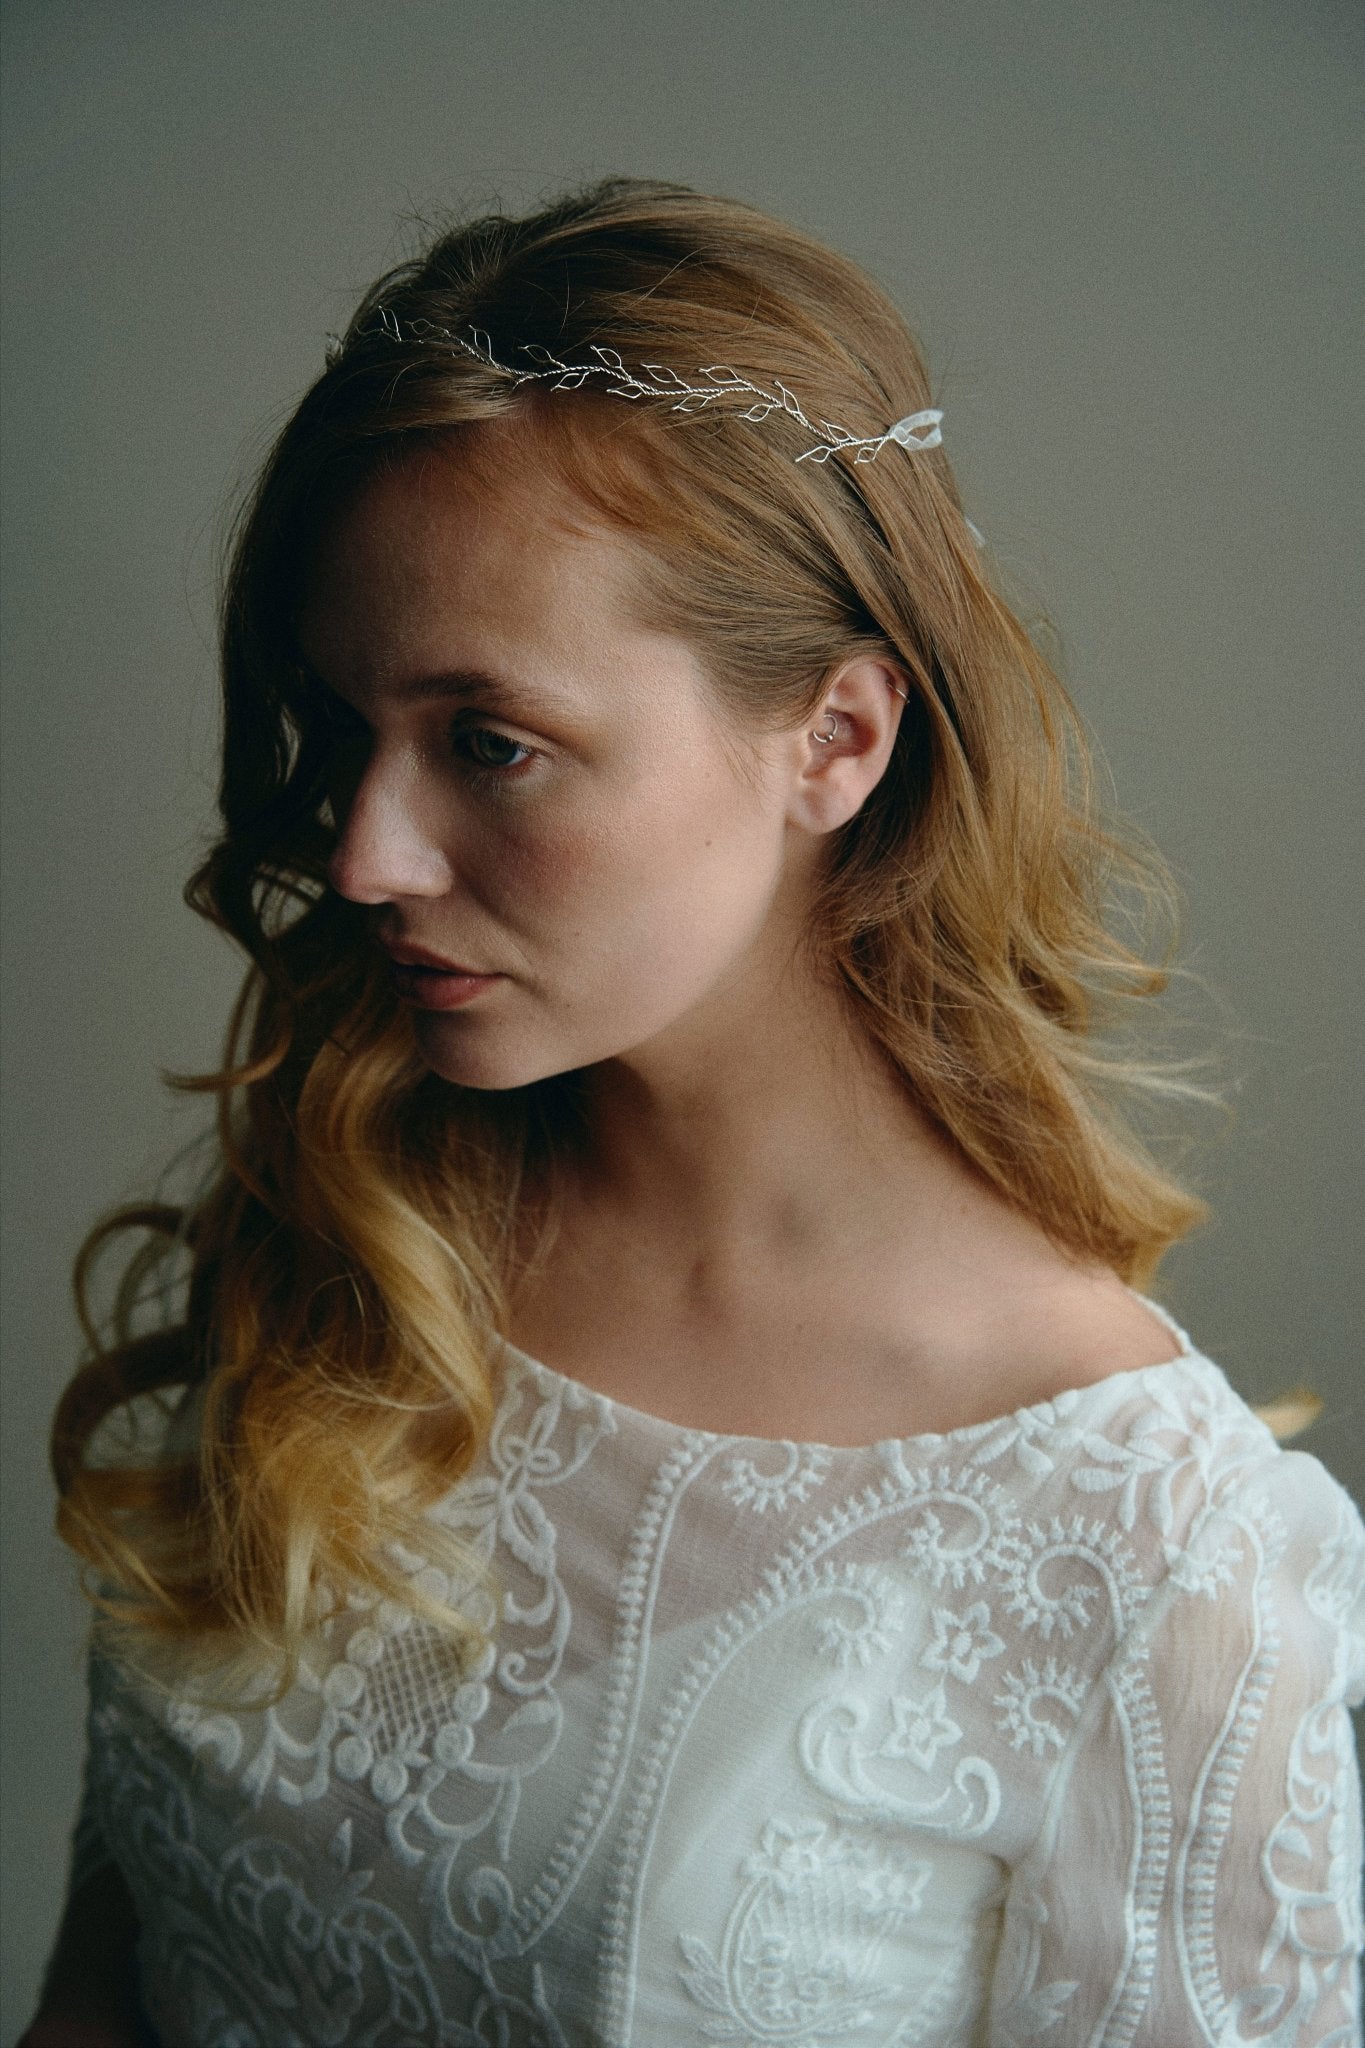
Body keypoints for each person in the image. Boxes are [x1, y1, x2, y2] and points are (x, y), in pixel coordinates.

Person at [25, 177, 1364, 2046]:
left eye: (490, 742)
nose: (363, 852)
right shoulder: (352, 1218)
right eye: (345, 728)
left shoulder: (1145, 1548)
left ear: (836, 739)